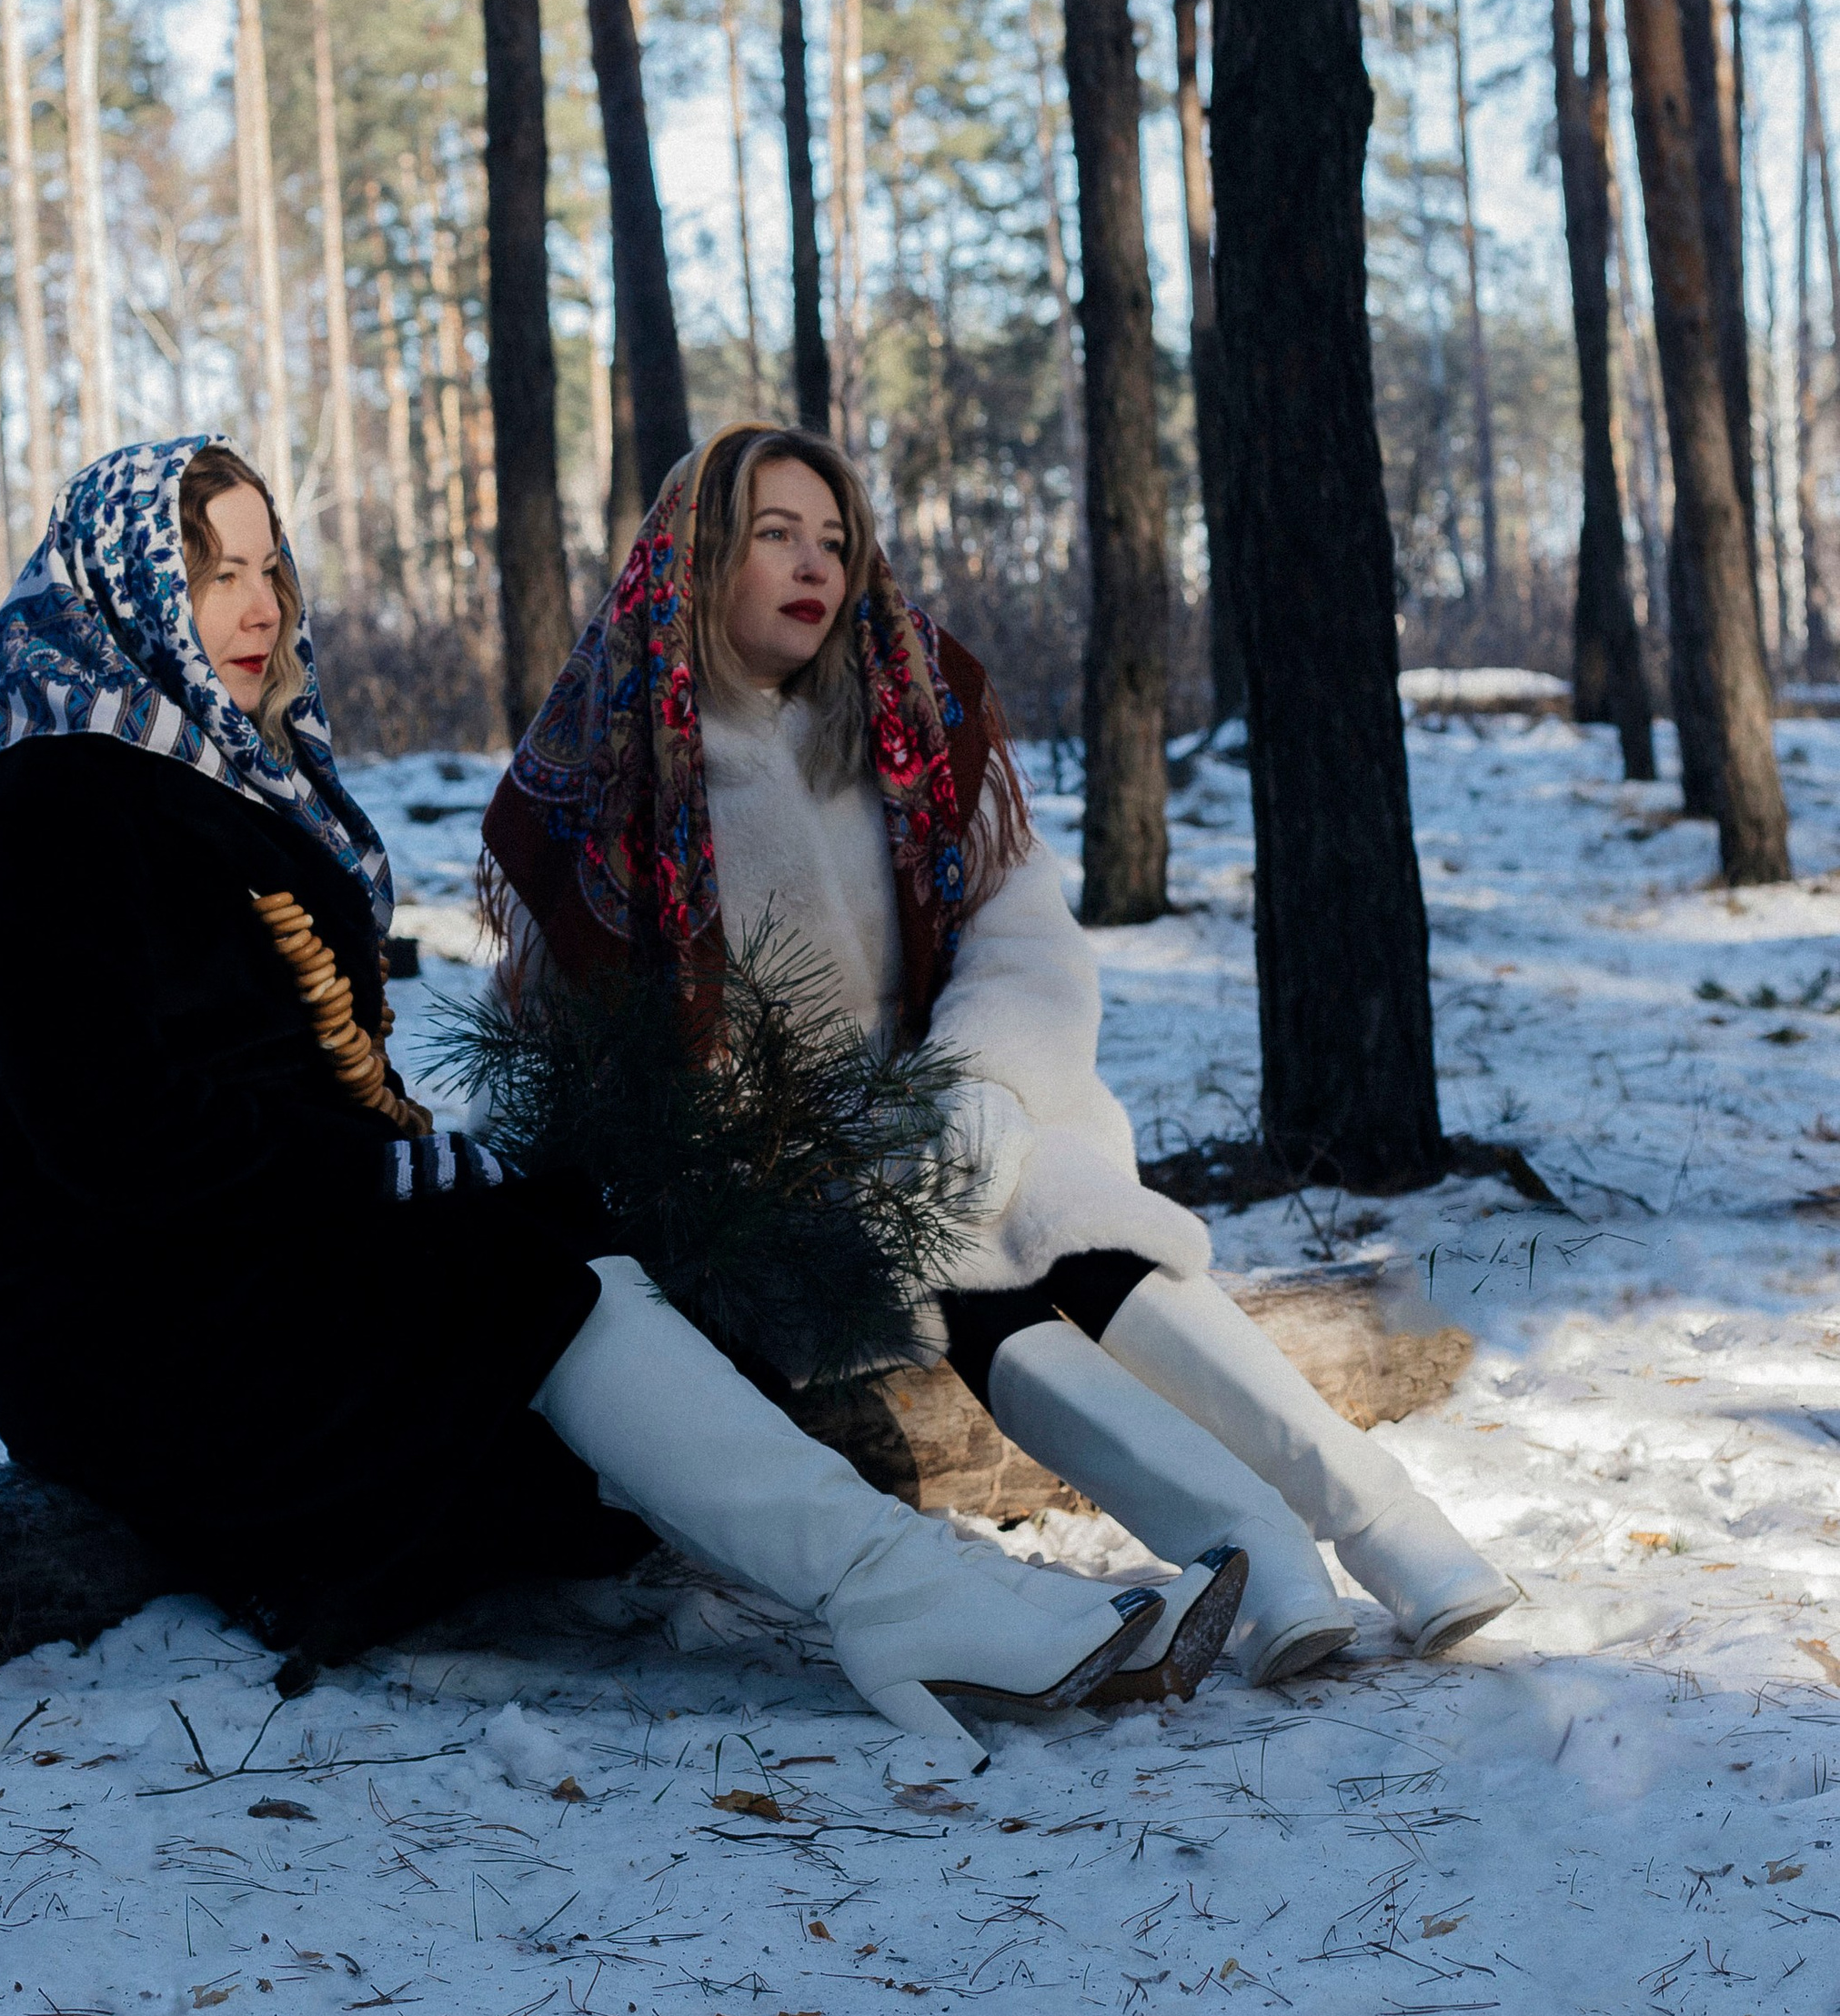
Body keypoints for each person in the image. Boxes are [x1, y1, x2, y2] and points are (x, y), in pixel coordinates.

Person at [0, 433, 1161, 1770]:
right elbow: (111, 1135)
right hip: (118, 1309)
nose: (260, 607)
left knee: (572, 1243)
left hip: (254, 1249)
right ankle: (905, 1600)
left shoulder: (215, 773)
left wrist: (408, 1172)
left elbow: (300, 1078)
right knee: (523, 1277)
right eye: (216, 576)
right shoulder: (57, 804)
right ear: (132, 590)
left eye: (270, 569)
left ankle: (917, 1588)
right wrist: (379, 1180)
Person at [482, 423, 1518, 1687]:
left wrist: (976, 1085)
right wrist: (770, 1146)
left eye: (834, 541)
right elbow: (583, 1042)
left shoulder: (909, 707)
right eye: (774, 536)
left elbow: (1023, 939)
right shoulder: (616, 759)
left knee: (1085, 1232)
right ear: (697, 556)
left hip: (965, 1101)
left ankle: (1385, 1520)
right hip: (776, 1173)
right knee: (976, 1284)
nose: (815, 568)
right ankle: (1263, 1554)